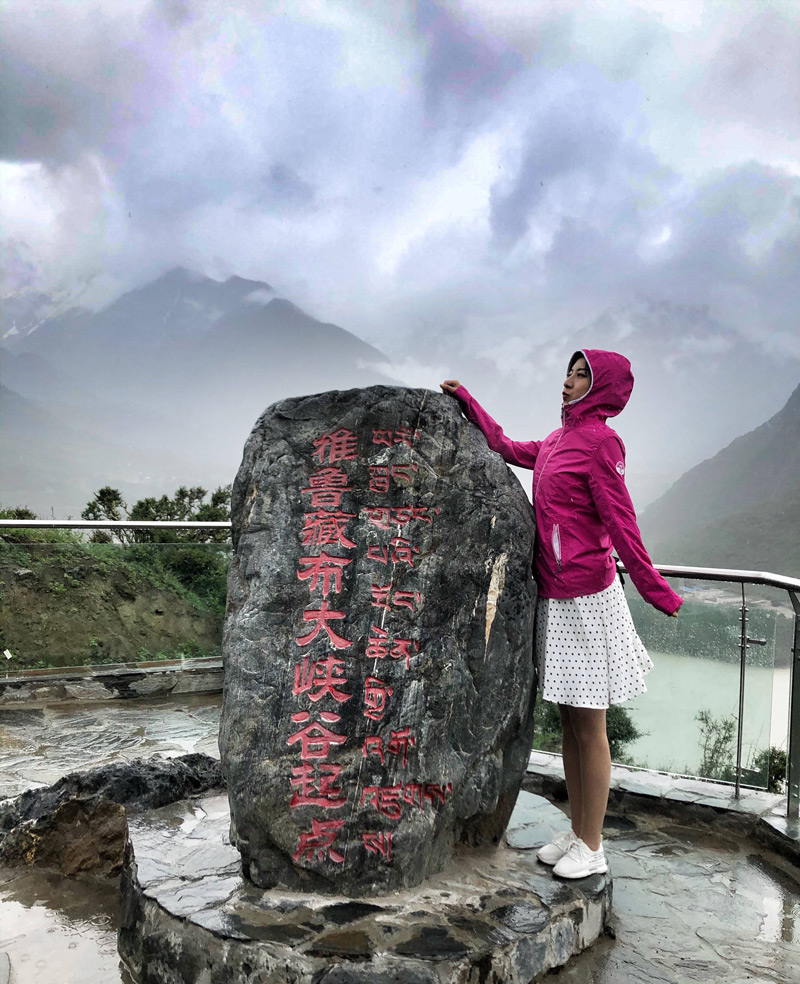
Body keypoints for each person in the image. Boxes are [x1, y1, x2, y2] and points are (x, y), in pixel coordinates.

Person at [440, 349, 682, 879]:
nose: (568, 382)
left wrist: (656, 590)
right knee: (571, 724)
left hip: (589, 602)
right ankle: (578, 831)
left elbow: (621, 520)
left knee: (590, 728)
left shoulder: (601, 444)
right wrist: (467, 402)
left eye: (582, 375)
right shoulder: (555, 442)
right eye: (569, 373)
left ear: (603, 387)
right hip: (556, 597)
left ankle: (593, 846)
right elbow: (505, 446)